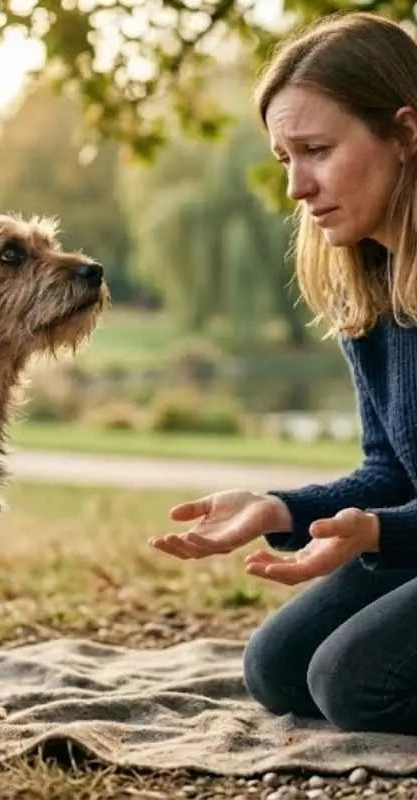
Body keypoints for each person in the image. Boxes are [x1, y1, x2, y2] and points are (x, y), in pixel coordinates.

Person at [150, 11, 417, 735]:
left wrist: (379, 534)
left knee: (352, 684)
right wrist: (281, 509)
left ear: (405, 133)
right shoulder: (375, 283)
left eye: (318, 150)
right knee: (277, 666)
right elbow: (391, 472)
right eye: (283, 159)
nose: (297, 186)